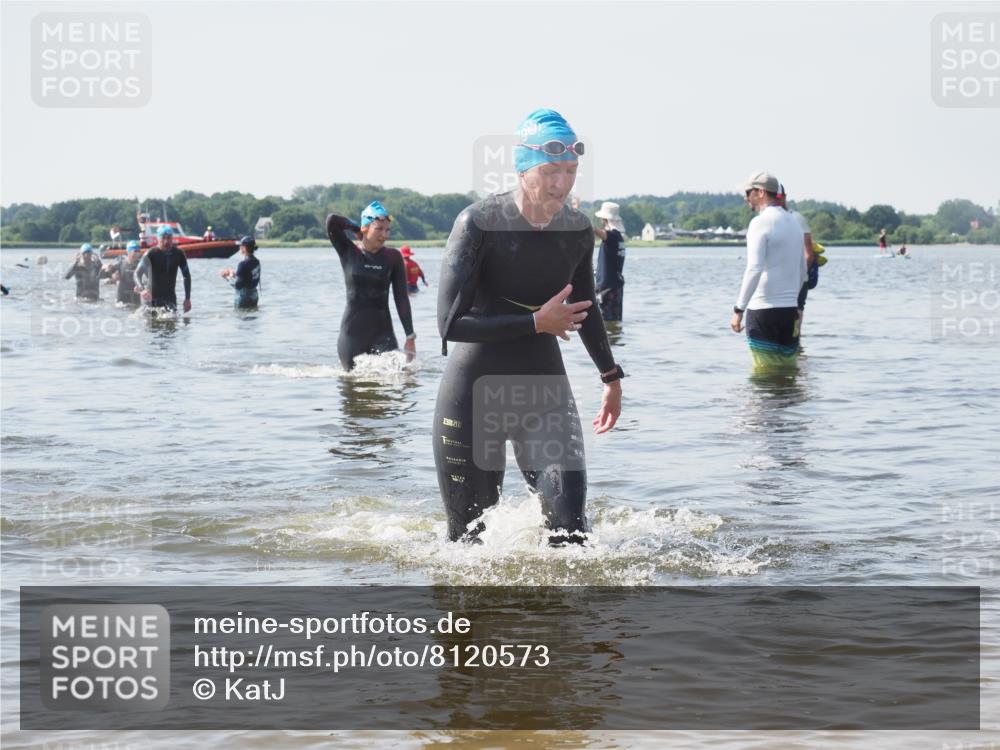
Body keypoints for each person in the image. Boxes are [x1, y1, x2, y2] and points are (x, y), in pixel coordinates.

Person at [434, 108, 624, 545]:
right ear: (523, 169)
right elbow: (449, 325)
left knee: (572, 532)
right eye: (551, 171)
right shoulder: (478, 223)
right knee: (468, 543)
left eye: (571, 171)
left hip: (544, 394)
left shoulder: (576, 229)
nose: (562, 183)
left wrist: (610, 376)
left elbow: (586, 306)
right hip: (473, 396)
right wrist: (536, 321)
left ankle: (557, 616)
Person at [325, 201, 415, 370]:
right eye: (379, 229)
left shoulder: (393, 257)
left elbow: (401, 298)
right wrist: (355, 228)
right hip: (352, 336)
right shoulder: (349, 251)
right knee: (352, 388)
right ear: (365, 228)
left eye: (387, 230)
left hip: (383, 335)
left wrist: (410, 336)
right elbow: (332, 221)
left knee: (397, 381)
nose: (384, 235)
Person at [731, 171, 807, 369]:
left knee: (764, 373)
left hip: (763, 311)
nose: (745, 198)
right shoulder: (794, 223)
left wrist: (739, 309)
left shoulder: (759, 223)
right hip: (790, 311)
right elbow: (802, 270)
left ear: (761, 192)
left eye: (748, 193)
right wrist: (795, 304)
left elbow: (754, 268)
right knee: (787, 371)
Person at [776, 185, 817, 327]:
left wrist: (798, 278)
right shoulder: (767, 219)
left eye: (779, 198)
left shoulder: (797, 218)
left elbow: (809, 254)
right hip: (778, 281)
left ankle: (797, 345)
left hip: (798, 280)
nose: (777, 201)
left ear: (784, 198)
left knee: (795, 329)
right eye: (774, 198)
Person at [134, 225, 192, 312]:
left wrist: (187, 299)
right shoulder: (151, 253)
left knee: (172, 323)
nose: (166, 241)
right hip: (151, 298)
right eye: (163, 238)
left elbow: (186, 276)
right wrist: (142, 289)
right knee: (150, 323)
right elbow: (137, 273)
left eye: (169, 238)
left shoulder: (179, 254)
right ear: (158, 238)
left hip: (170, 298)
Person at [592, 201, 627, 322]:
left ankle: (610, 340)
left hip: (607, 287)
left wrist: (582, 223)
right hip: (615, 286)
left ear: (604, 219)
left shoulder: (611, 236)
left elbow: (597, 231)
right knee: (614, 321)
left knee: (605, 322)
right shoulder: (619, 238)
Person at [219, 236, 261, 309]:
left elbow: (237, 285)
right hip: (254, 295)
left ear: (244, 248)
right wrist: (234, 274)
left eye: (240, 246)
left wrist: (227, 277)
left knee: (240, 318)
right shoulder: (257, 262)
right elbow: (248, 278)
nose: (239, 248)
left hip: (243, 297)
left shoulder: (242, 264)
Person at [102, 240, 144, 306]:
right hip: (122, 299)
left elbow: (149, 276)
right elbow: (106, 274)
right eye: (135, 251)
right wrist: (111, 274)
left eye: (138, 251)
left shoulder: (141, 265)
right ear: (129, 252)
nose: (138, 253)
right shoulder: (121, 264)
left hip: (135, 298)